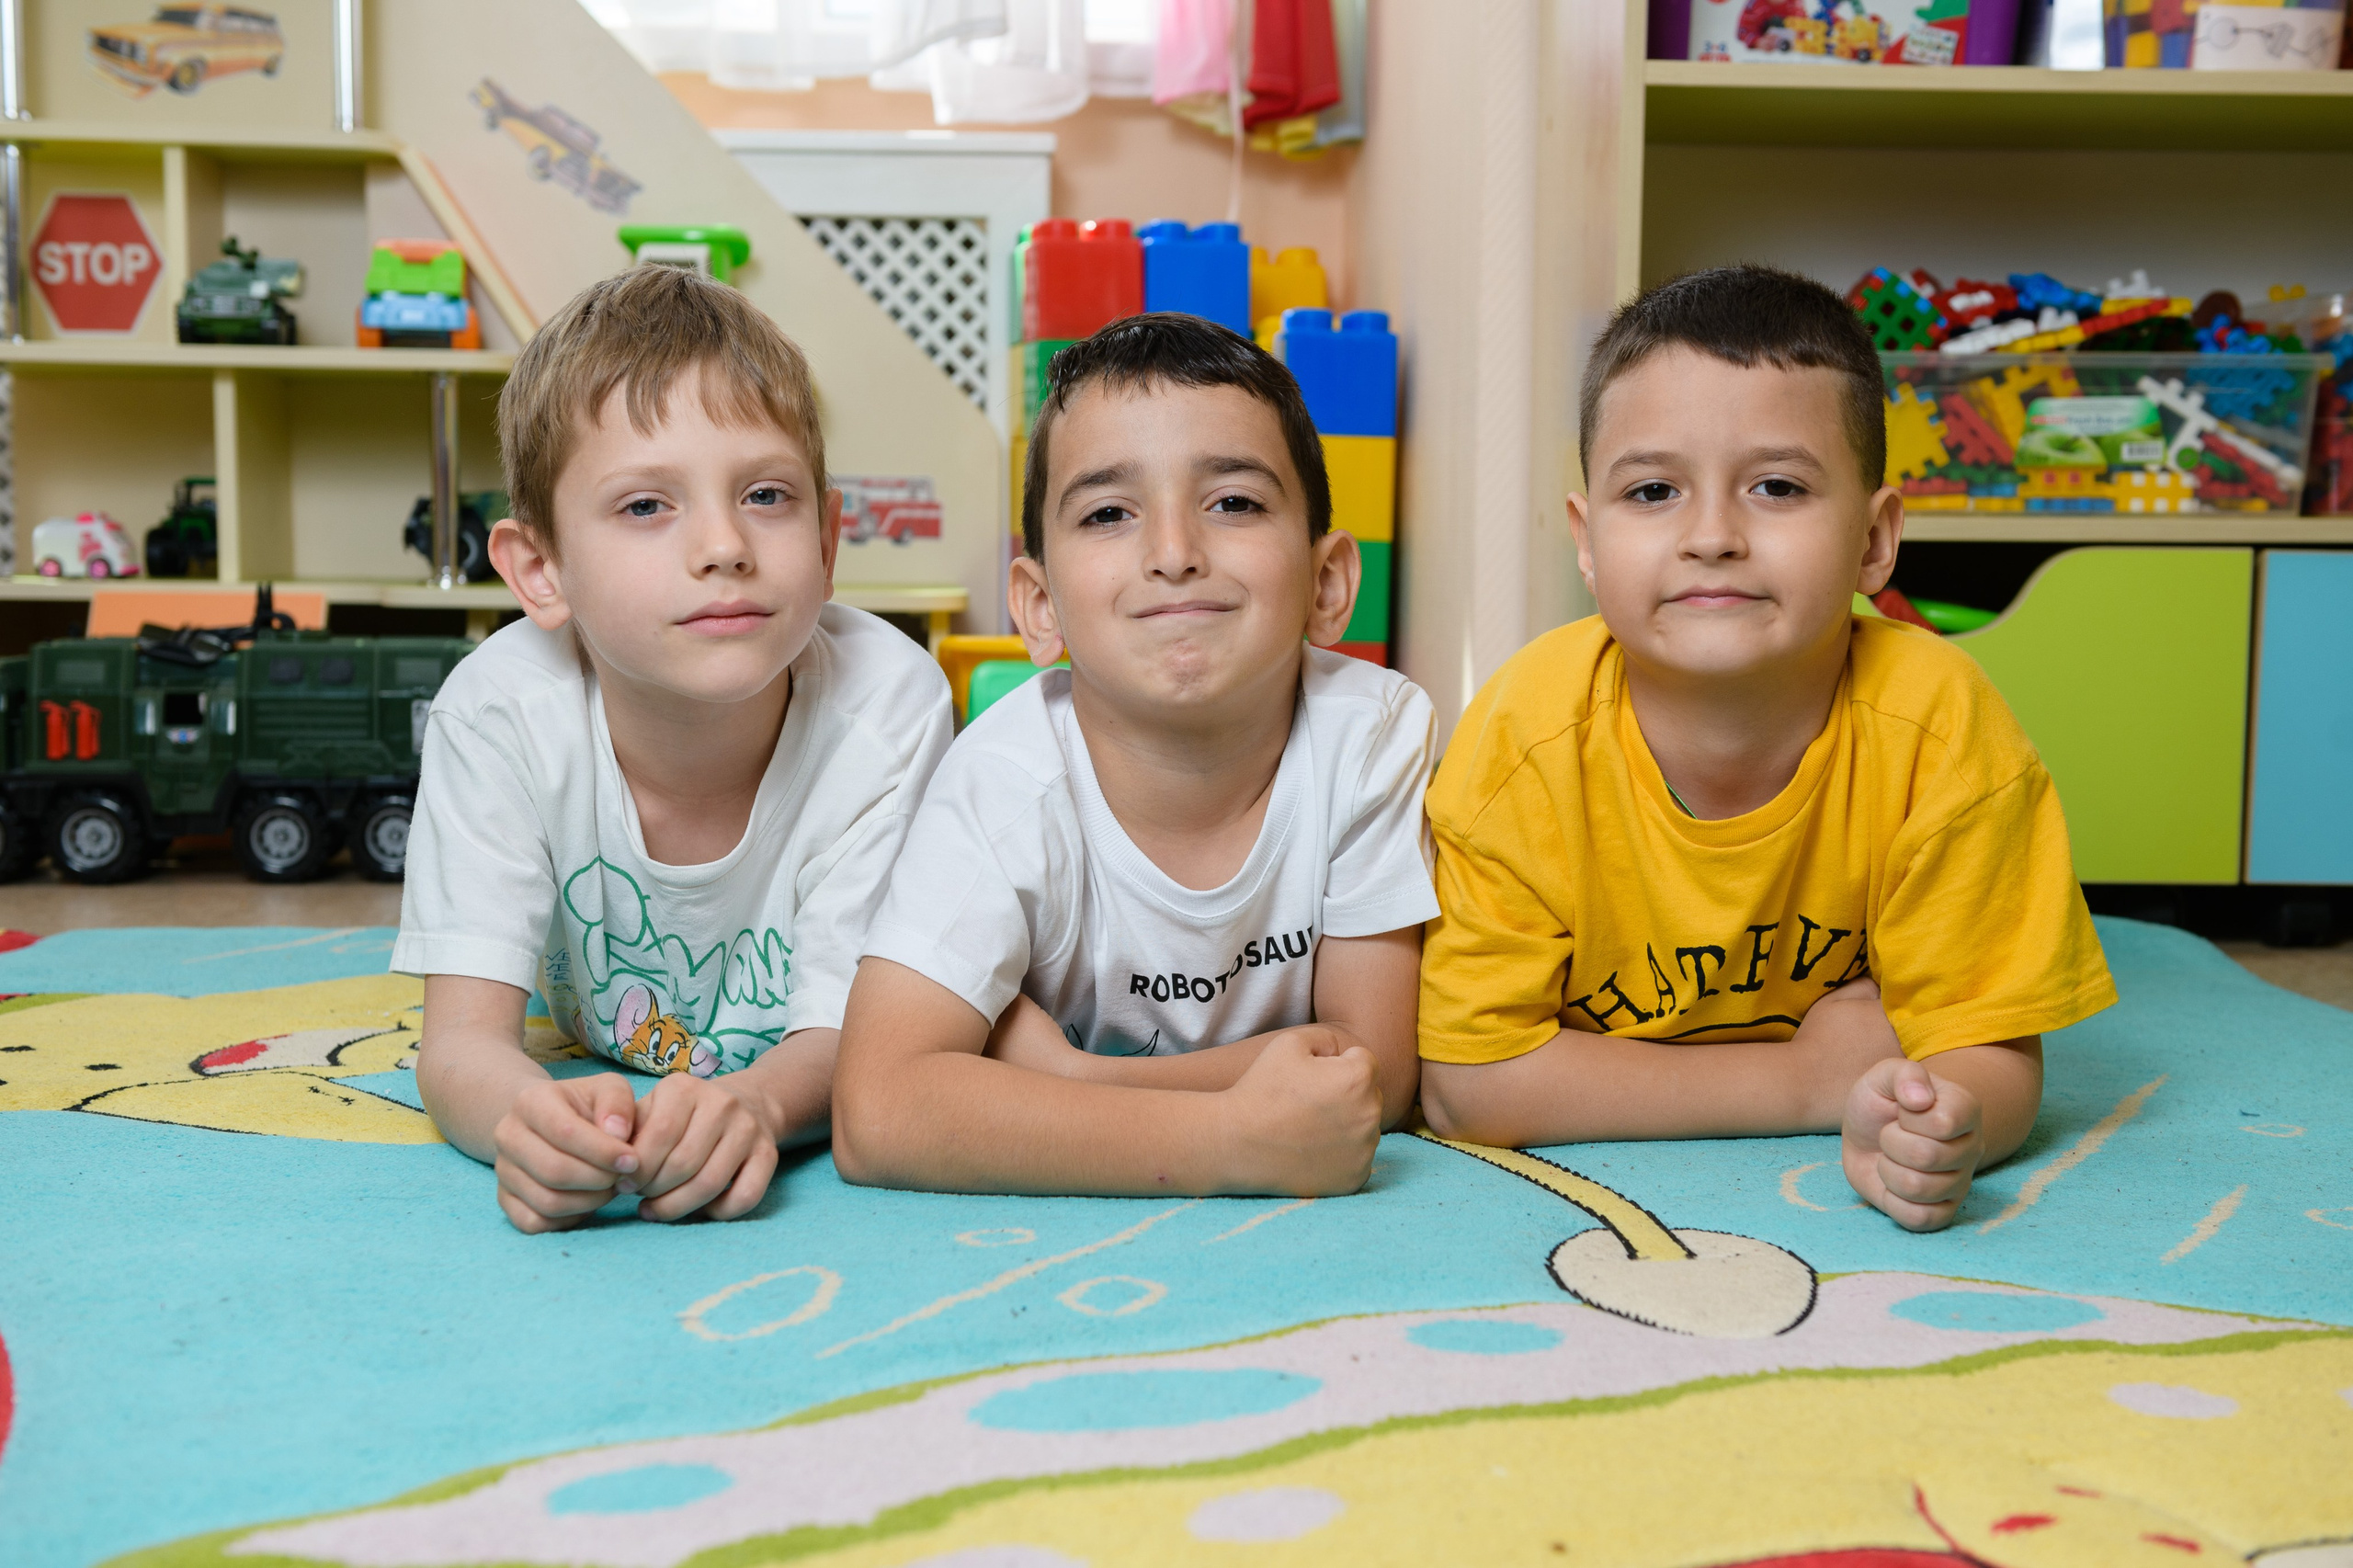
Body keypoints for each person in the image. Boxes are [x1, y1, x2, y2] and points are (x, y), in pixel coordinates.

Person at [1416, 265, 2116, 1232]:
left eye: (1776, 486)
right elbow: (1467, 1086)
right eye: (1654, 489)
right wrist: (1804, 1081)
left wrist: (1939, 1122)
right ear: (1587, 541)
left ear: (1875, 540)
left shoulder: (1942, 731)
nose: (1712, 535)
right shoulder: (1523, 739)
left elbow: (1988, 1051)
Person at [396, 266, 952, 1233]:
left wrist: (761, 1104)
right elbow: (458, 1047)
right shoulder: (495, 713)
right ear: (541, 569)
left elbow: (862, 1038)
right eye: (647, 505)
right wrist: (522, 1118)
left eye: (767, 494)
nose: (724, 545)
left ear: (827, 543)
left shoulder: (890, 706)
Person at [831, 313, 1435, 1199]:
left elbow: (1368, 1071)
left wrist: (1079, 1080)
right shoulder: (1004, 777)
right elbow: (878, 1108)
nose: (1175, 555)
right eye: (1110, 513)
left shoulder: (1370, 732)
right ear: (1039, 609)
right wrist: (1227, 1138)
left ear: (1329, 582)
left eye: (1233, 502)